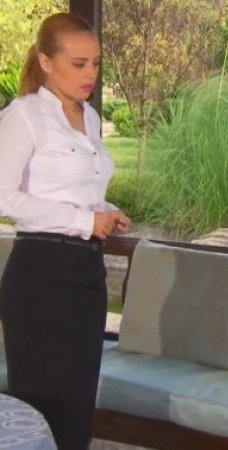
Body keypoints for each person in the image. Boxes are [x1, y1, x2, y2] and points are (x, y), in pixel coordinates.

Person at [0, 12, 131, 450]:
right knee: (45, 408)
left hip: (86, 274)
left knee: (77, 407)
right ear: (46, 61)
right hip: (41, 275)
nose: (90, 73)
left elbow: (75, 192)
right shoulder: (24, 116)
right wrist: (84, 221)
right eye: (78, 64)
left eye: (95, 62)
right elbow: (4, 197)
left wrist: (105, 211)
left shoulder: (90, 117)